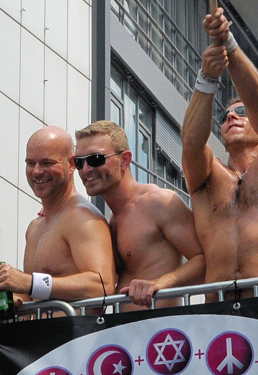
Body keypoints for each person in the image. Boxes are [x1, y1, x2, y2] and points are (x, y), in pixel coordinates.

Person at [181, 8, 258, 297]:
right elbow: (190, 143)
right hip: (219, 314)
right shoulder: (208, 176)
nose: (231, 118)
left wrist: (228, 43)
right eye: (225, 117)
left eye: (240, 112)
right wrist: (207, 78)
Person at [74, 120, 206, 309]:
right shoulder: (110, 219)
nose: (86, 169)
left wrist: (159, 284)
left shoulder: (158, 201)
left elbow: (205, 260)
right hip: (124, 333)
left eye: (96, 159)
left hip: (162, 331)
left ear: (124, 160)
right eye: (79, 162)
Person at [0, 126, 116, 304]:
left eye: (47, 163)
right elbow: (35, 292)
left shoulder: (82, 217)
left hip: (79, 331)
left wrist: (30, 282)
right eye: (30, 163)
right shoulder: (35, 227)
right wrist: (16, 300)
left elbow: (102, 285)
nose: (37, 171)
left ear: (71, 164)